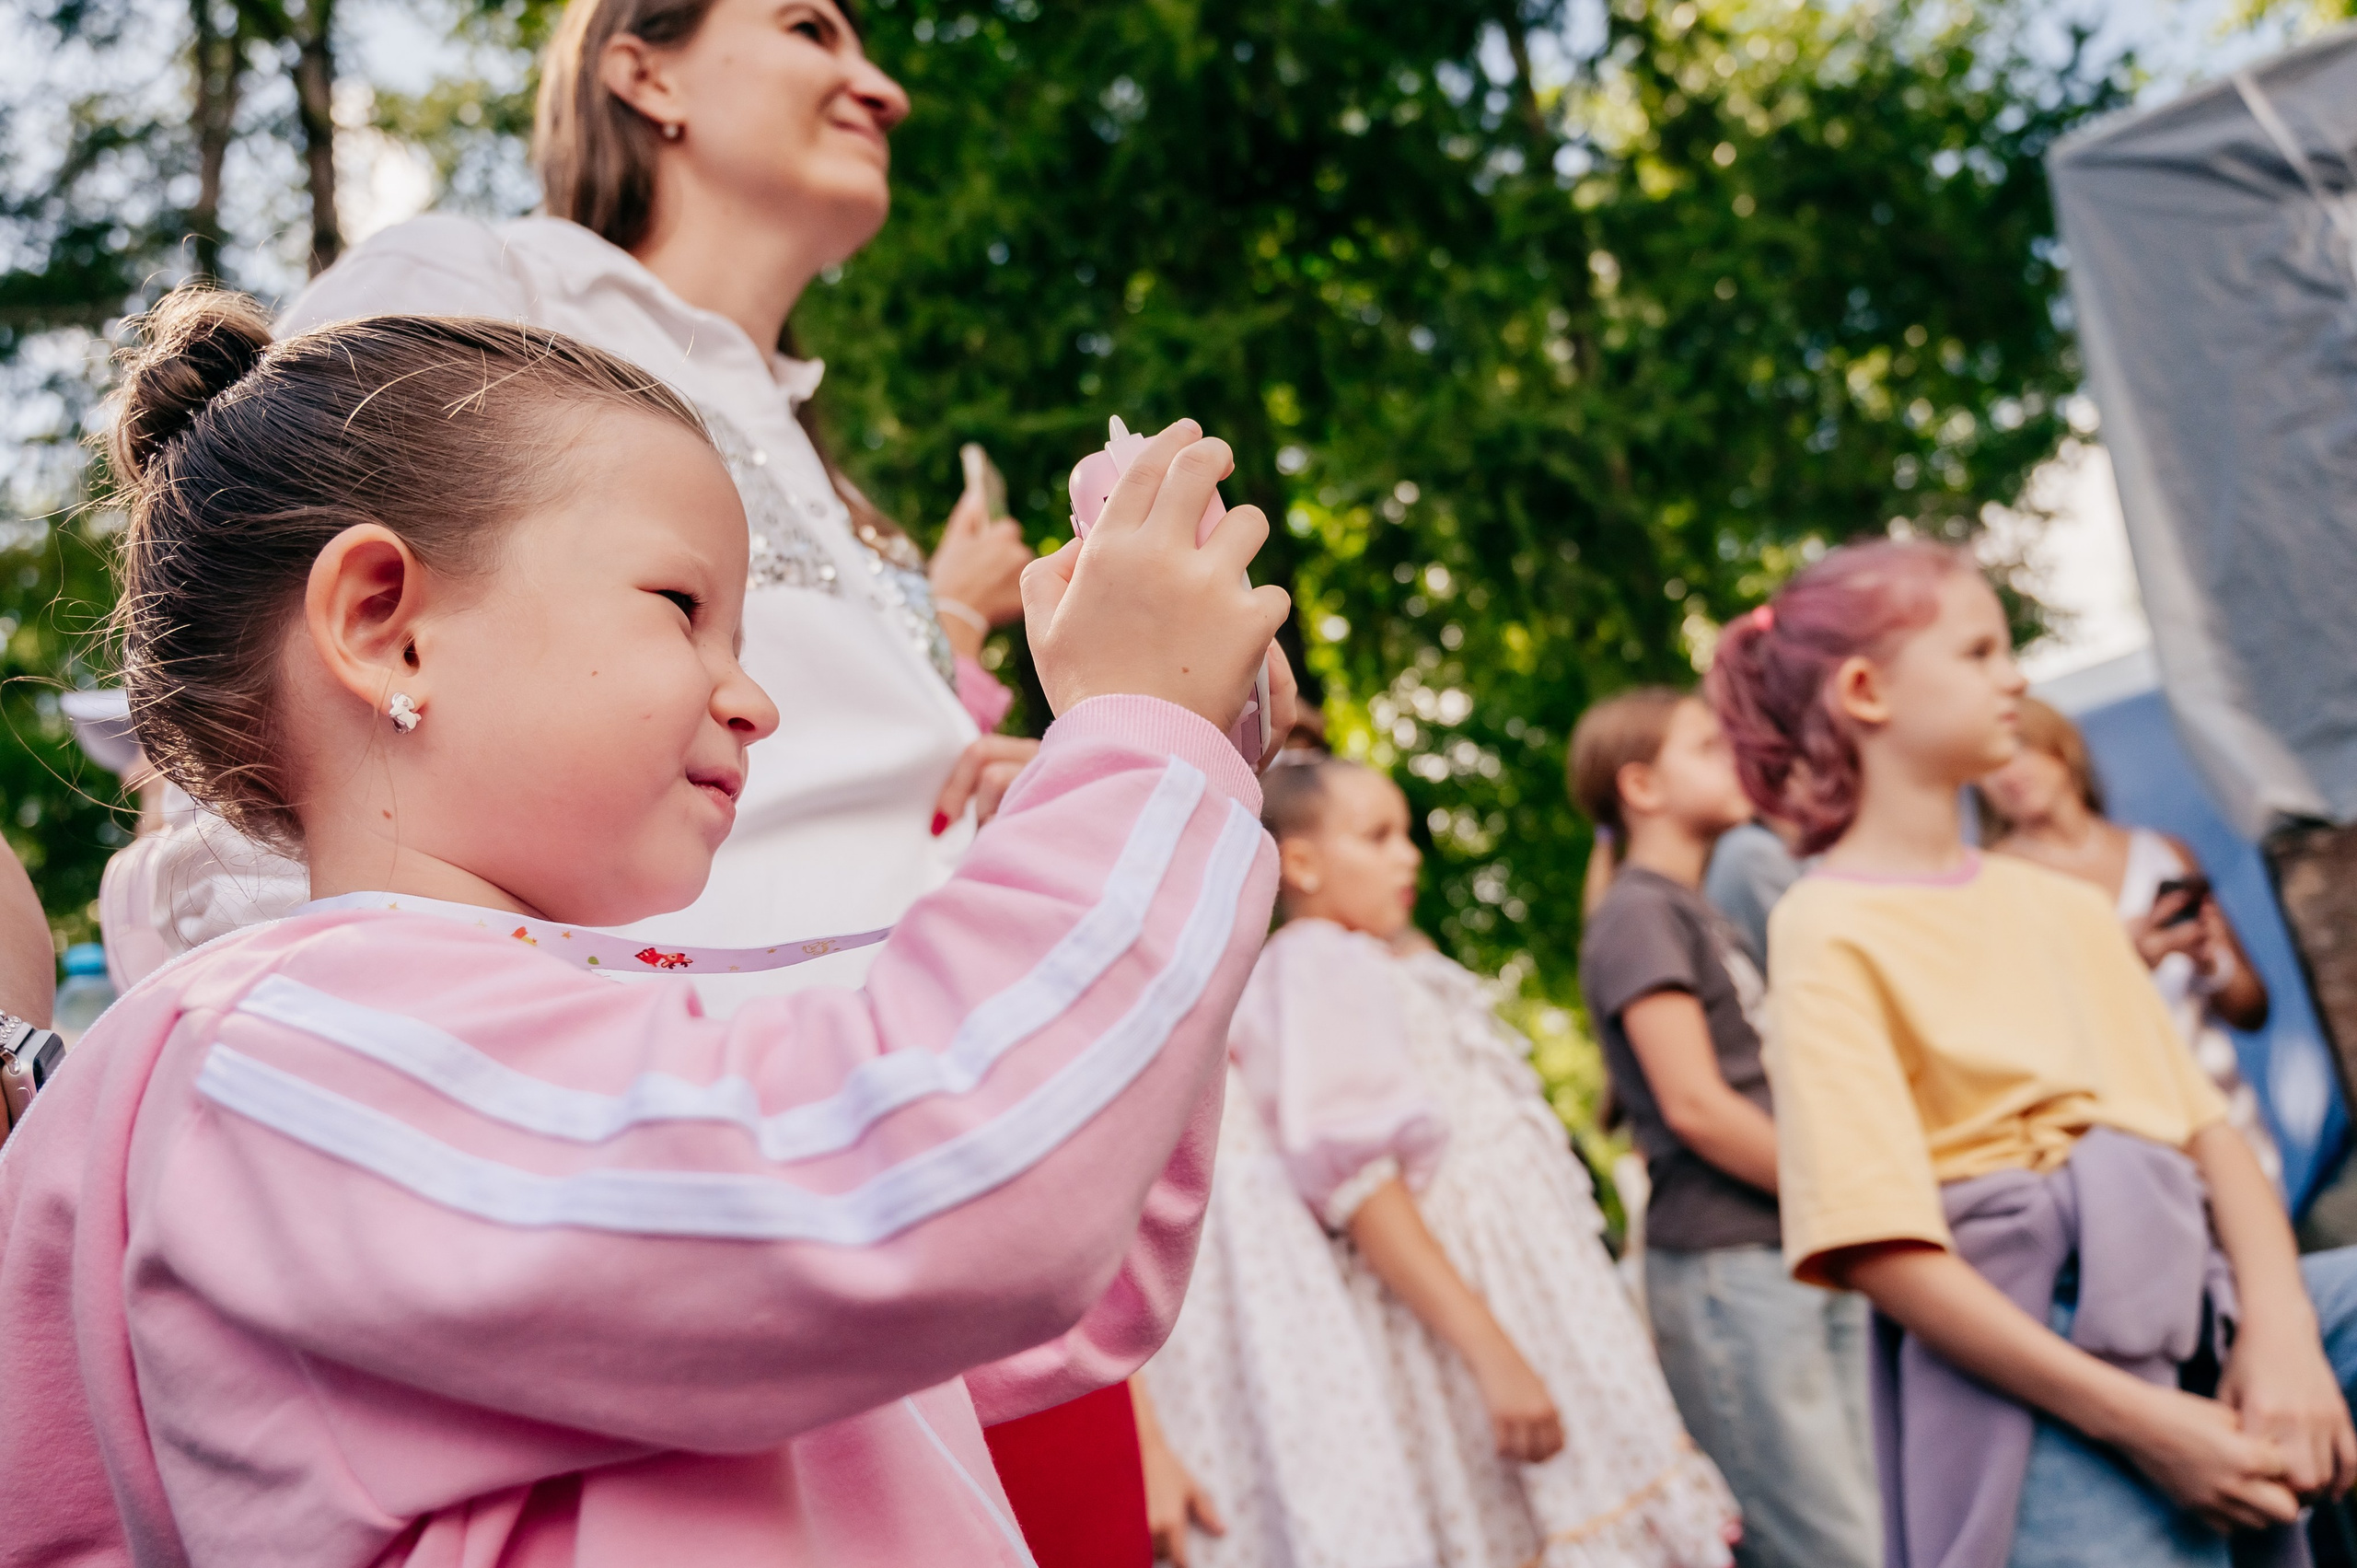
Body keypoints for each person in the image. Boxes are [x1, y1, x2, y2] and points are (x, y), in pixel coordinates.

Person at [0, 291, 1288, 1565]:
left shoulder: (523, 1053)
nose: (757, 698)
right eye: (682, 605)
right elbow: (937, 1193)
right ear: (383, 621)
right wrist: (1140, 750)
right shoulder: (281, 1060)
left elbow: (1055, 1266)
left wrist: (1189, 757)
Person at [1707, 539, 2357, 1568]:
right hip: (2034, 1354)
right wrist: (2150, 1427)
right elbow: (1883, 1248)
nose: (2014, 676)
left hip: (2192, 1289)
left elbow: (2209, 1137)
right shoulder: (1825, 925)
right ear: (1868, 691)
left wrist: (2283, 1343)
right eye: (1977, 651)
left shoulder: (2061, 905)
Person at [1225, 755, 1740, 1568]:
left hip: (1529, 1305)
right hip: (1479, 1318)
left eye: (1407, 833)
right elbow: (1364, 1183)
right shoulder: (1318, 963)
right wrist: (1495, 1354)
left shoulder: (1383, 966)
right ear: (1301, 861)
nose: (1409, 856)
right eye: (1378, 836)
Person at [1571, 689, 1880, 1568]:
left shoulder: (1696, 907)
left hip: (1793, 1248)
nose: (1735, 759)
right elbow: (1696, 1105)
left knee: (1877, 1530)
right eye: (1706, 746)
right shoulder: (1639, 913)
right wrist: (1847, 1189)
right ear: (1642, 785)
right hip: (1730, 1271)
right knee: (1836, 1548)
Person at [1980, 697, 2281, 1187]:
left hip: (2229, 1119)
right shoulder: (1992, 883)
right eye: (1987, 761)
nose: (2008, 771)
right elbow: (2017, 1040)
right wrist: (2125, 963)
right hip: (2127, 1151)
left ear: (2062, 748)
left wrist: (2212, 963)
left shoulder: (2163, 852)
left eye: (2021, 747)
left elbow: (2252, 1011)